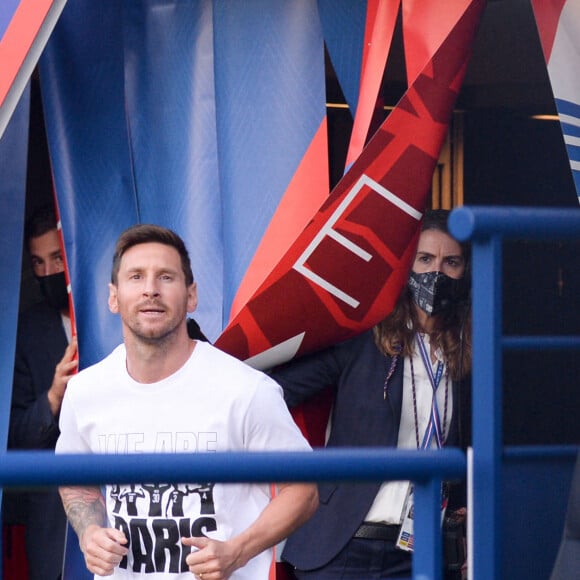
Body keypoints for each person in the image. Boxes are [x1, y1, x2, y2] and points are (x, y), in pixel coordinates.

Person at [55, 223, 318, 579]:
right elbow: (73, 476)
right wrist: (89, 533)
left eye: (166, 277)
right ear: (113, 297)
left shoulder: (246, 389)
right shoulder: (85, 391)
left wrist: (237, 551)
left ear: (191, 295)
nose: (151, 290)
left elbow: (302, 490)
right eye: (136, 277)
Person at [271, 209, 472, 580]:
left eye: (451, 262)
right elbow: (273, 392)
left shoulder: (472, 354)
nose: (436, 273)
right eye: (424, 259)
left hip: (422, 552)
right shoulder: (362, 339)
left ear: (466, 271)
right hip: (343, 548)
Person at [7, 204, 78, 580]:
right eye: (38, 263)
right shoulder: (27, 332)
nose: (49, 272)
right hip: (55, 526)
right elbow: (15, 432)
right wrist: (52, 397)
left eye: (56, 258)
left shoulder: (119, 312)